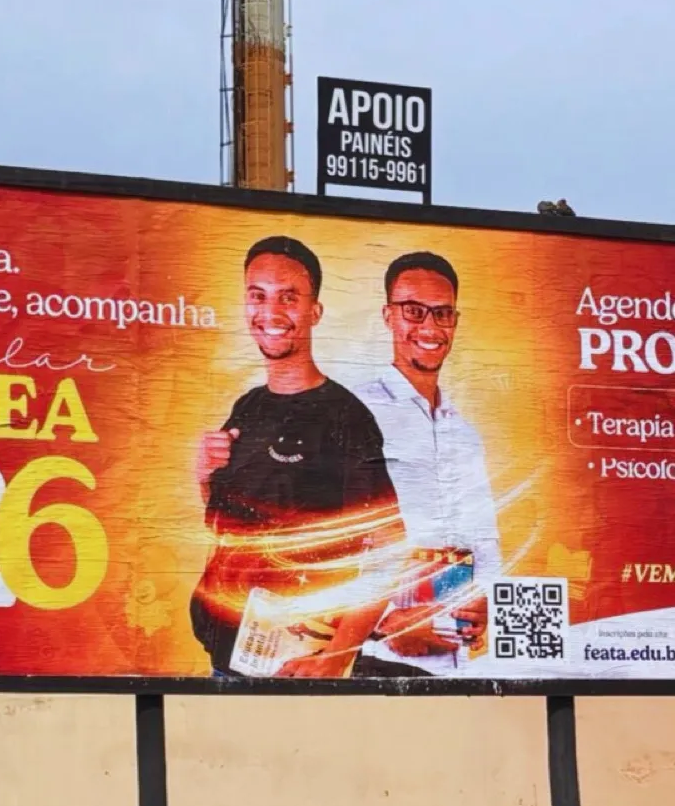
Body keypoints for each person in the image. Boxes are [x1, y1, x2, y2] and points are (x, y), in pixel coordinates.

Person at [191, 236, 402, 678]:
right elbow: (232, 528)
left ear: (315, 312)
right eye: (258, 296)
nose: (270, 312)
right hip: (226, 664)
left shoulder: (345, 418)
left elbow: (390, 551)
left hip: (291, 670)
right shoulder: (248, 407)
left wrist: (336, 656)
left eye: (288, 297)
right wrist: (206, 476)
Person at [354, 251, 502, 677]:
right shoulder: (354, 412)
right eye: (414, 311)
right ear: (388, 316)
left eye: (443, 313)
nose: (430, 328)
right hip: (372, 659)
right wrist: (382, 624)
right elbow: (319, 537)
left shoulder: (464, 433)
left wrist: (486, 604)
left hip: (456, 665)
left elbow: (485, 544)